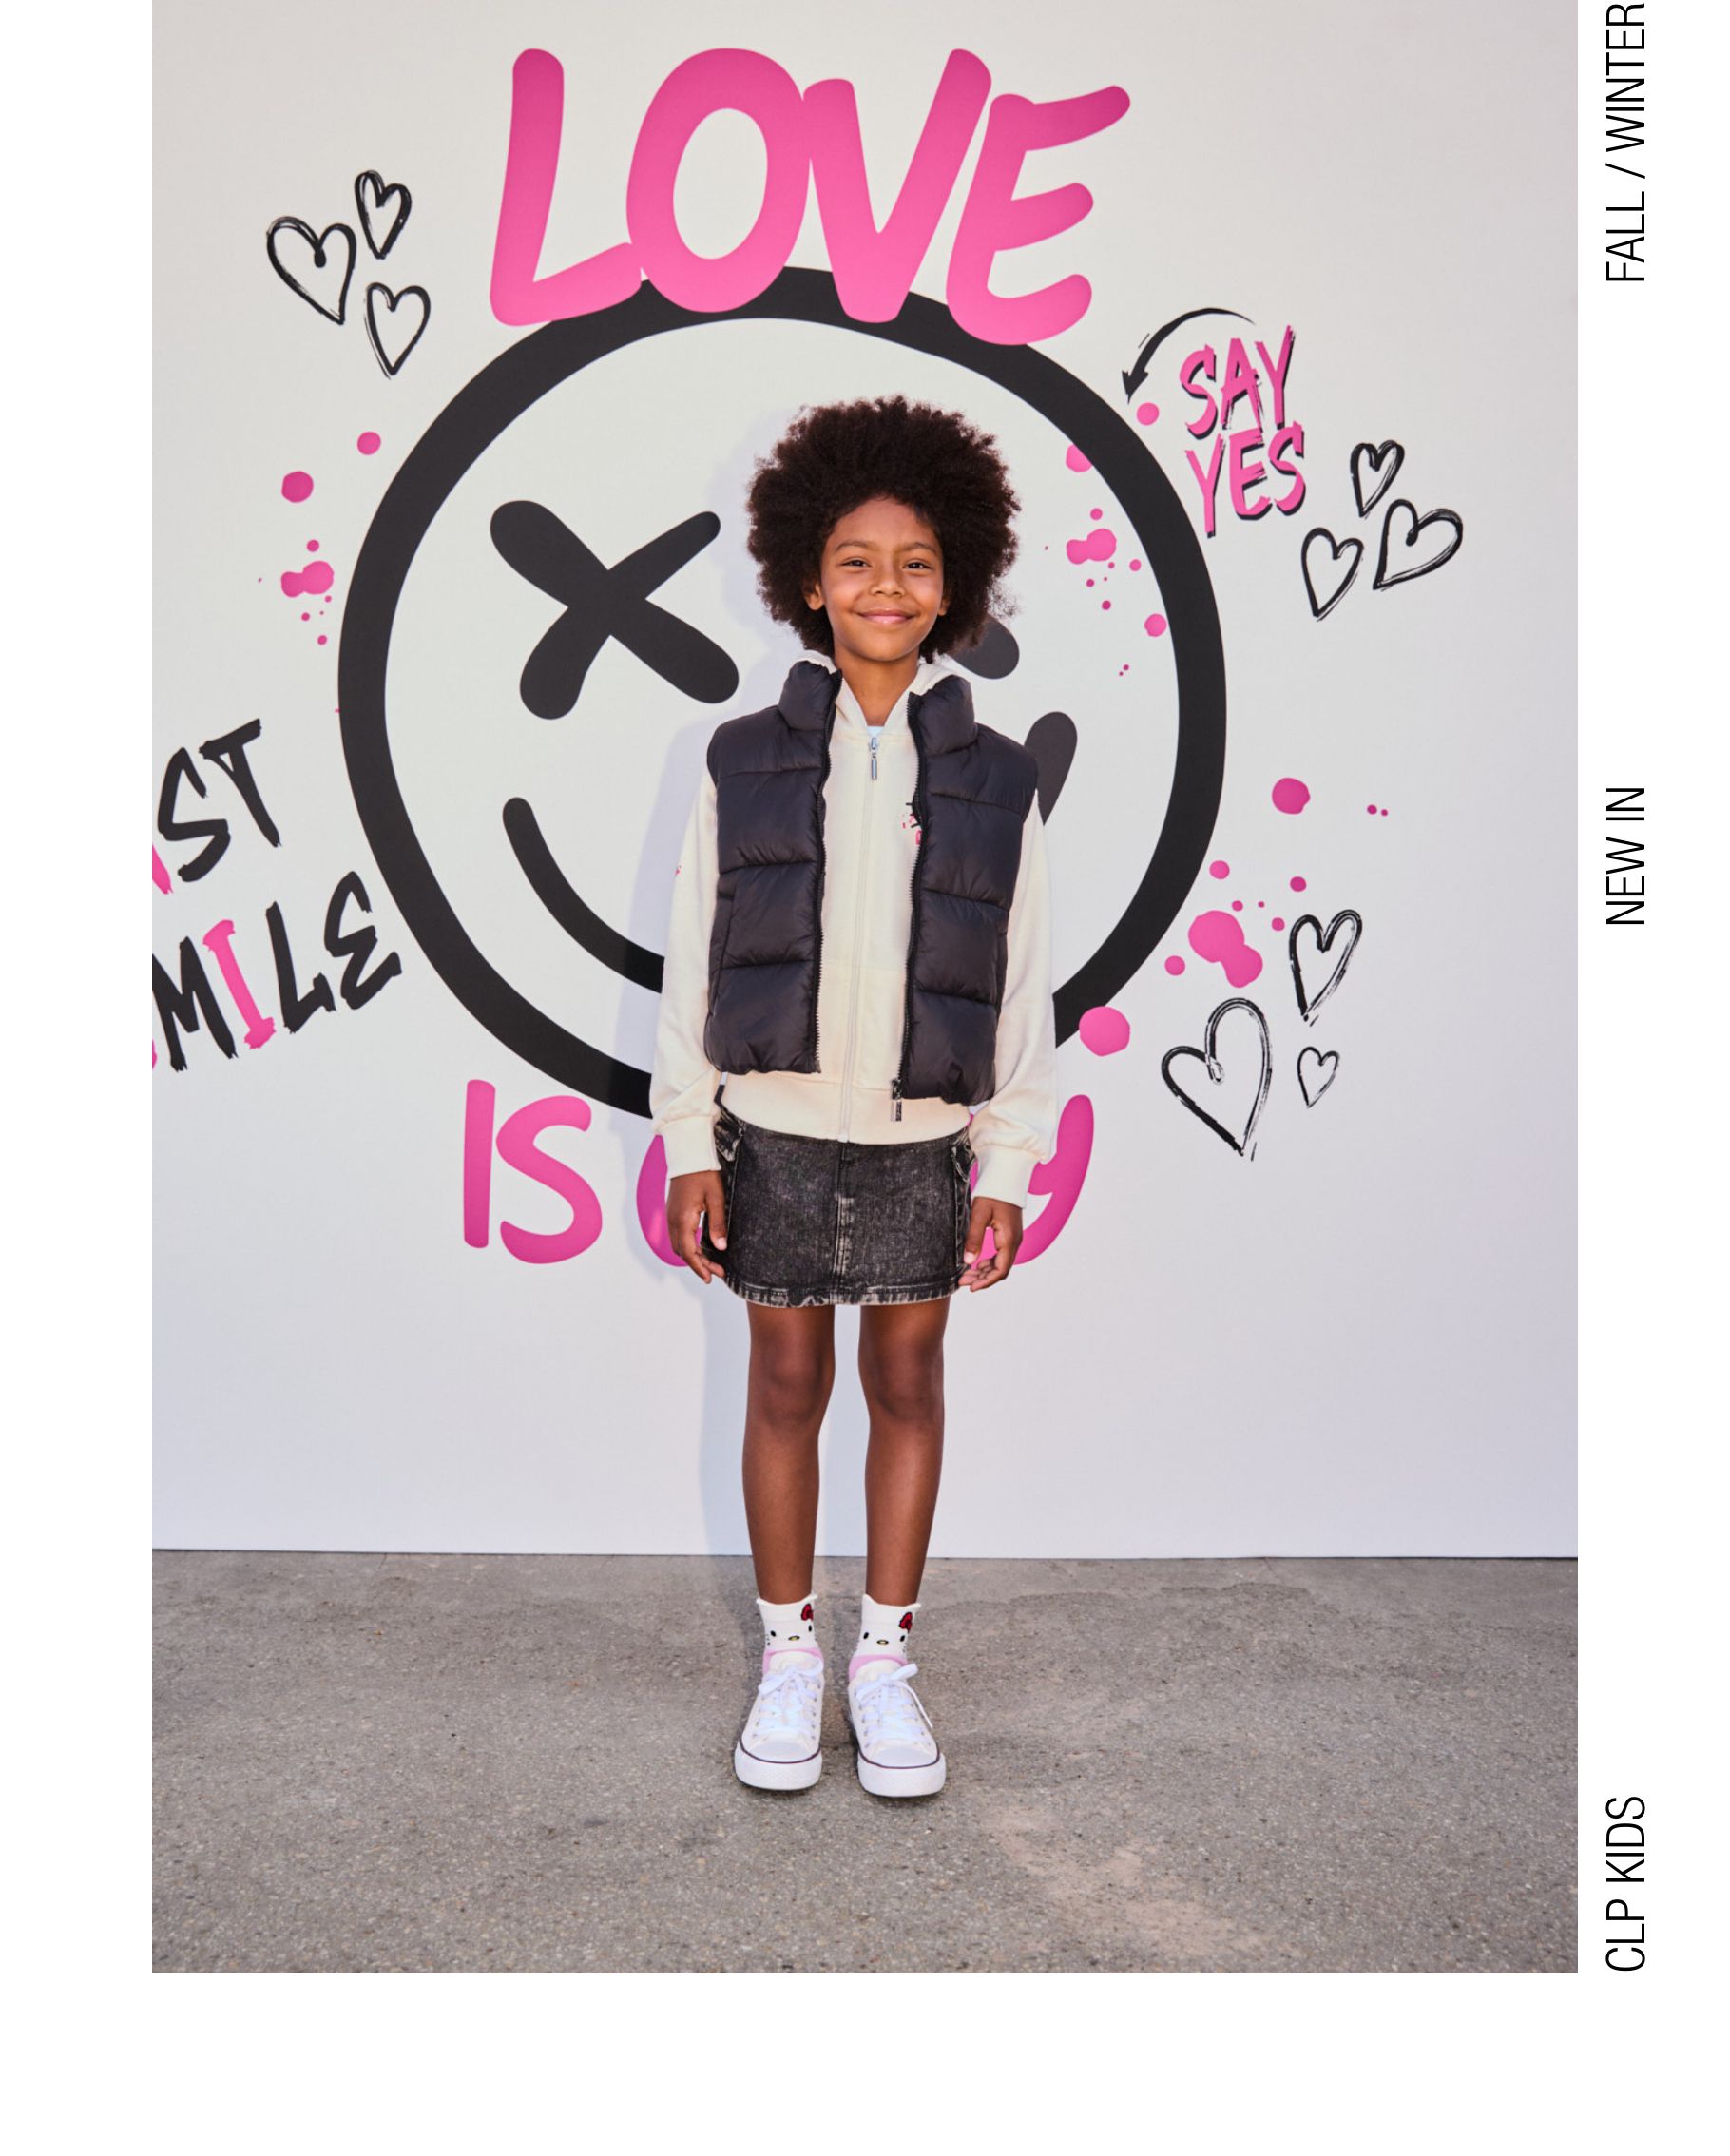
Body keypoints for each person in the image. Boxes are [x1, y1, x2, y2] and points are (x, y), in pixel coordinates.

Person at [648, 393, 1058, 1799]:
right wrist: (689, 1139)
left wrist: (1008, 1161)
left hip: (920, 1139)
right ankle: (789, 1656)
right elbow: (696, 955)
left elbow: (1022, 980)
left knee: (906, 1382)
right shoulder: (741, 758)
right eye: (857, 561)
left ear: (955, 587)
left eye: (916, 563)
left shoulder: (999, 780)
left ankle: (884, 1659)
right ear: (808, 582)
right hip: (769, 1132)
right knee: (782, 1383)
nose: (887, 585)